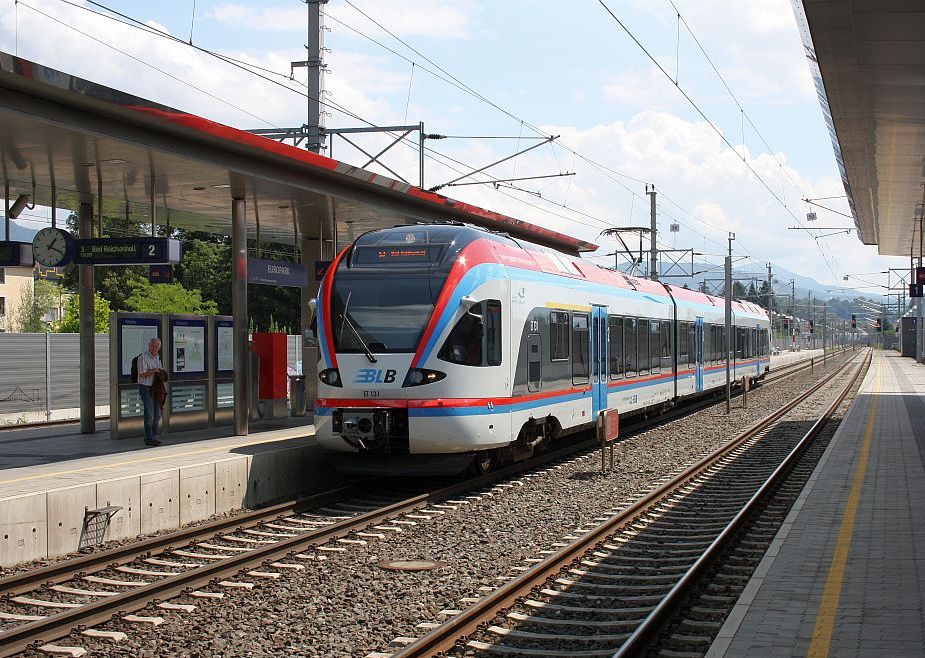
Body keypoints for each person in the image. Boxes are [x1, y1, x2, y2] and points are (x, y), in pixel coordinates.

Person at [137, 337, 165, 447]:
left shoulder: (157, 357)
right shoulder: (143, 358)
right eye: (153, 346)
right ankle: (148, 438)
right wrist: (155, 371)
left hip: (156, 388)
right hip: (146, 388)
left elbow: (160, 370)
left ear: (159, 347)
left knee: (157, 415)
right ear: (149, 346)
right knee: (149, 415)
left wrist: (158, 372)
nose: (154, 348)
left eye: (157, 346)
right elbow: (142, 374)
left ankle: (153, 437)